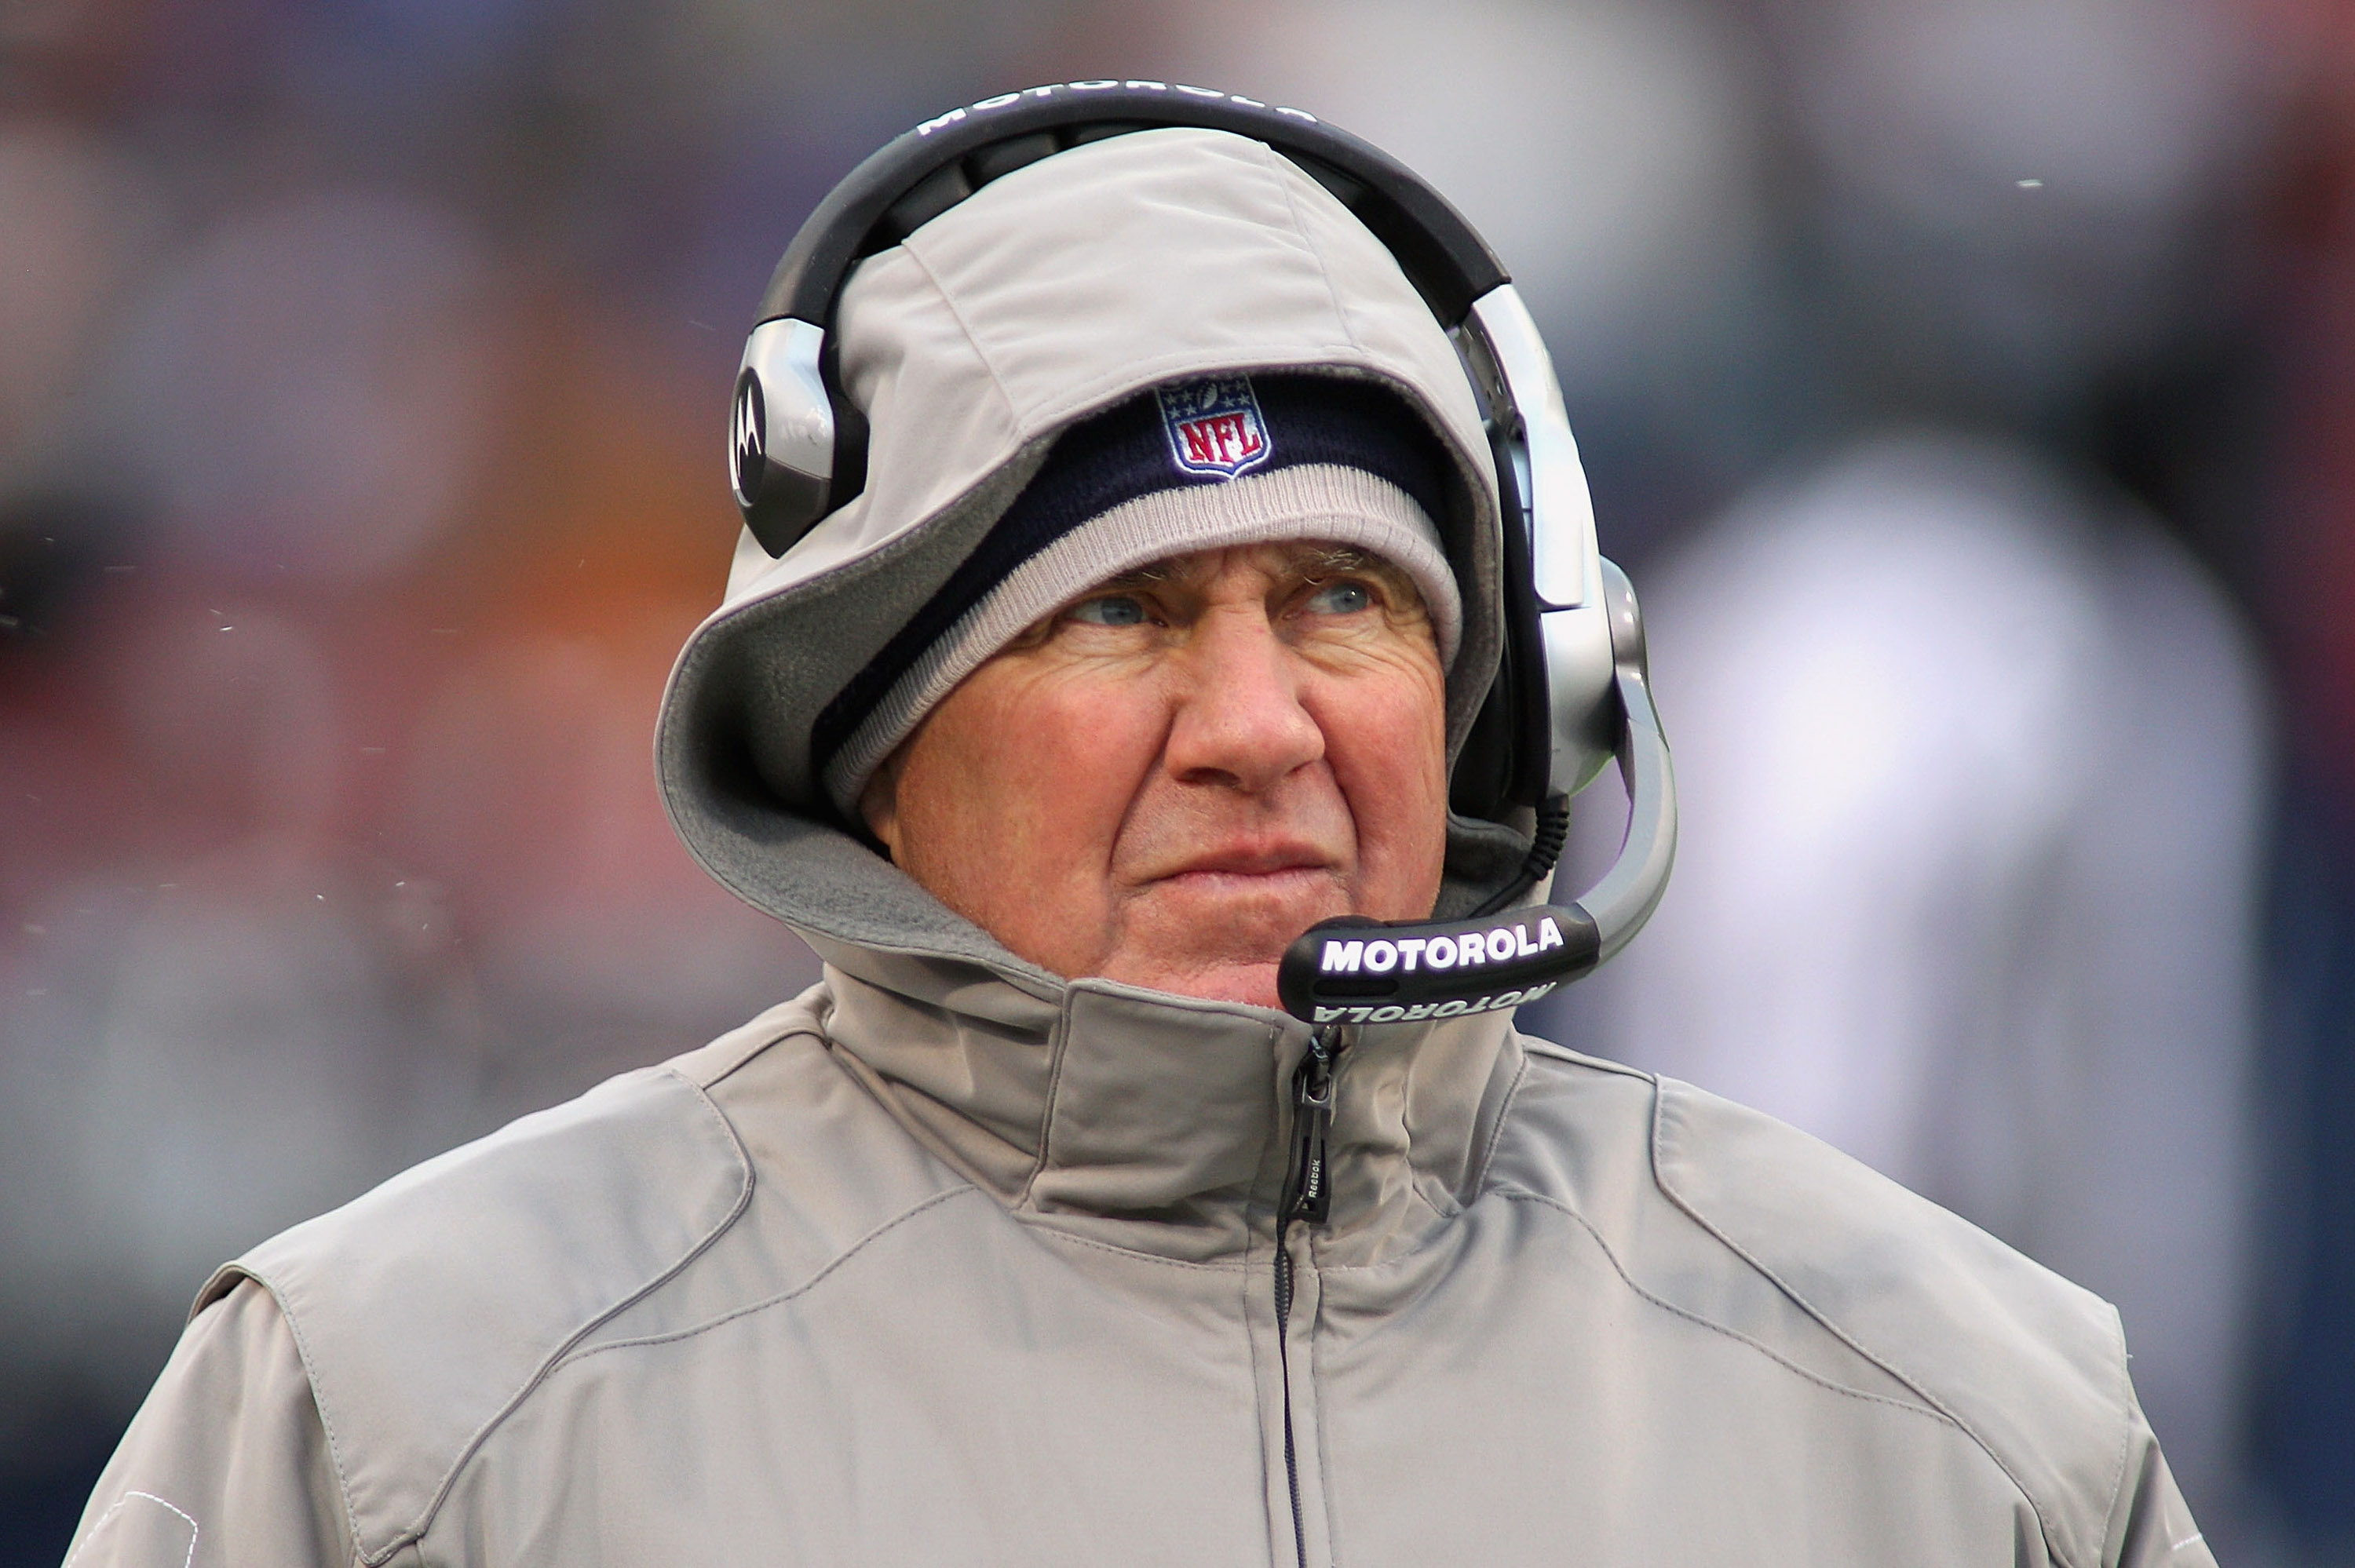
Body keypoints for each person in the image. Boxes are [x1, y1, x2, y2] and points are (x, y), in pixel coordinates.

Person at [68, 91, 2210, 1566]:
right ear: (870, 726)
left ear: (1502, 689)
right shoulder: (395, 1411)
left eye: (1343, 601)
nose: (1261, 726)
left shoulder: (1959, 1417)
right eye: (1126, 613)